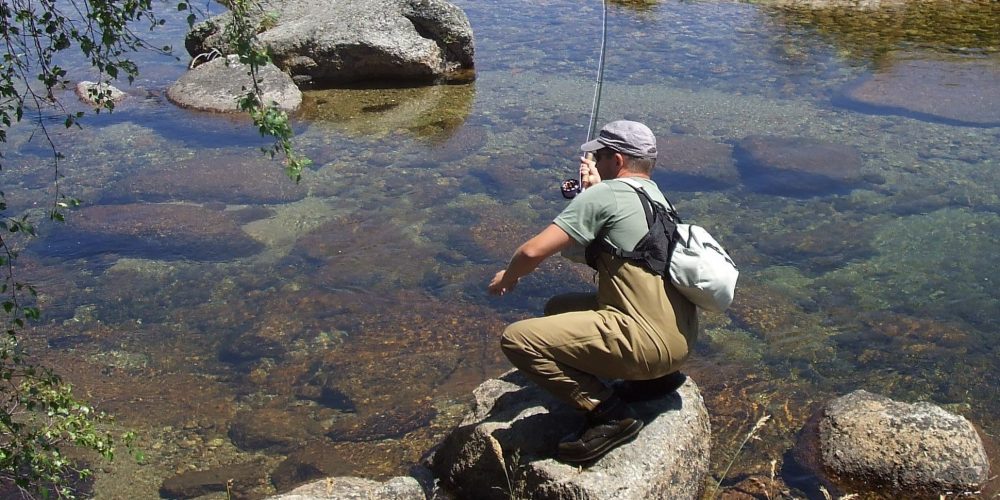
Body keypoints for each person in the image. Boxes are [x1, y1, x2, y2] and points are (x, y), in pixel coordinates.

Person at [487, 120, 699, 463]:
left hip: (647, 343)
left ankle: (609, 413)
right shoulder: (660, 200)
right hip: (680, 341)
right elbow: (591, 254)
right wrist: (590, 195)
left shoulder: (607, 194)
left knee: (517, 339)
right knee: (559, 307)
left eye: (598, 155)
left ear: (616, 160)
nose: (594, 161)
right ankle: (651, 382)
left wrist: (508, 277)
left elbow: (533, 252)